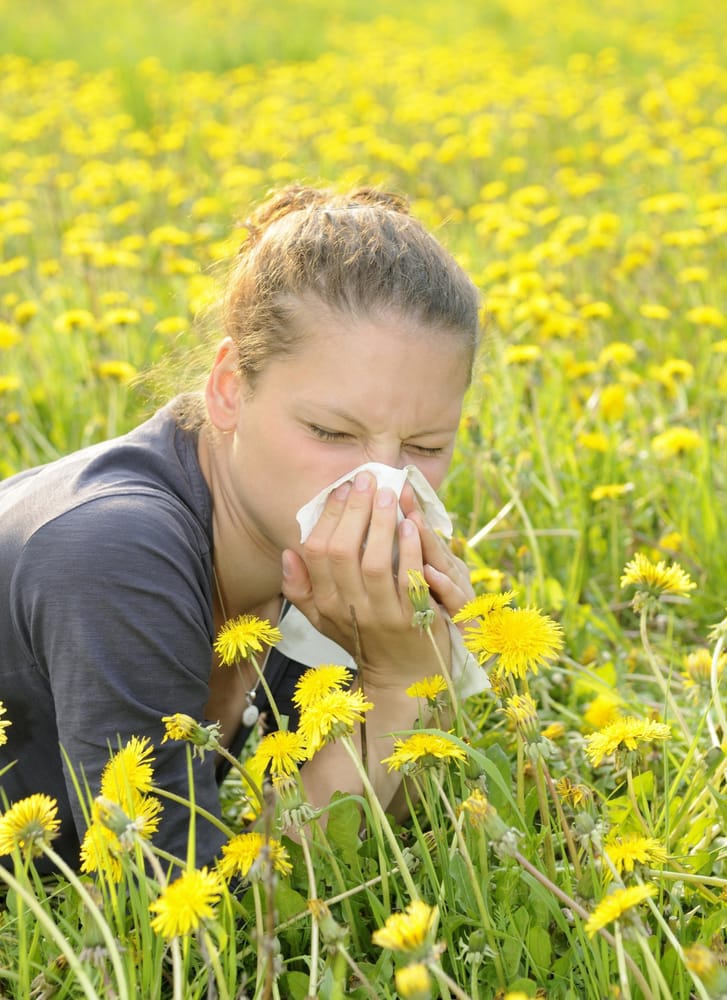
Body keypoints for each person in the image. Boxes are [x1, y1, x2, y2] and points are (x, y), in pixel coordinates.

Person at [0, 185, 482, 874]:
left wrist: (415, 673)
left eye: (426, 446)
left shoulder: (300, 554)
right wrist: (399, 687)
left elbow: (331, 840)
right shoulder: (113, 554)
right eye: (331, 431)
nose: (379, 484)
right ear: (228, 389)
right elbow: (177, 920)